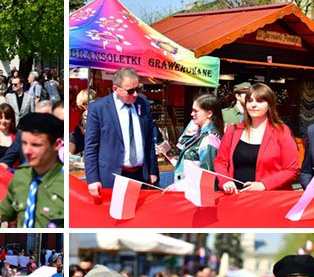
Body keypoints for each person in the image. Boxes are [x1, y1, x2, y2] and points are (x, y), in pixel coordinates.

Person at [84, 67, 158, 195]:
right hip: (112, 175)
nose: (135, 94)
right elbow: (91, 146)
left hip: (141, 175)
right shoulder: (98, 108)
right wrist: (93, 179)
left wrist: (152, 170)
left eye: (138, 89)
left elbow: (150, 140)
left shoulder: (143, 104)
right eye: (130, 91)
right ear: (115, 89)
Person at [214, 83, 299, 193]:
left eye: (259, 101)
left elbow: (291, 169)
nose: (253, 105)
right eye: (250, 100)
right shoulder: (233, 130)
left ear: (269, 104)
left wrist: (264, 185)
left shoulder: (281, 132)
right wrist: (225, 180)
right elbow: (220, 161)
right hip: (235, 197)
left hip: (269, 199)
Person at [171, 93, 223, 184]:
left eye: (196, 111)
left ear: (209, 113)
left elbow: (207, 177)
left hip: (195, 193)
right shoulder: (200, 134)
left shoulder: (209, 139)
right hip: (188, 190)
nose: (192, 114)